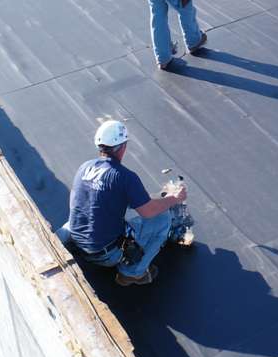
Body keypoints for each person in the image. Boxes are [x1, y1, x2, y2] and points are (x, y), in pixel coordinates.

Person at [58, 120, 192, 286]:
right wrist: (174, 198)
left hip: (78, 242)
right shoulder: (124, 177)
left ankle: (56, 245)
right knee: (163, 218)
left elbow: (80, 200)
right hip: (105, 254)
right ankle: (132, 273)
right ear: (122, 147)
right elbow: (148, 211)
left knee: (78, 217)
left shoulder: (85, 167)